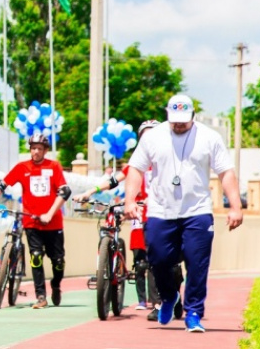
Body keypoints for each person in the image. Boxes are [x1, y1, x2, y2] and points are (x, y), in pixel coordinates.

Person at [123, 94, 243, 333]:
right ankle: (169, 297)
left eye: (183, 120)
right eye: (174, 120)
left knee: (197, 263)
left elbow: (226, 172)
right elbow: (135, 169)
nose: (178, 124)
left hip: (197, 210)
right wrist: (129, 201)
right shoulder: (153, 137)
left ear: (193, 116)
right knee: (157, 258)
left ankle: (194, 312)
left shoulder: (209, 137)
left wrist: (236, 206)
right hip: (160, 209)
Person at [73, 119, 180, 318]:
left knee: (162, 262)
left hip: (161, 215)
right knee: (144, 261)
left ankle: (163, 301)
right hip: (139, 214)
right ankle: (111, 265)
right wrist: (90, 192)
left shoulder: (168, 161)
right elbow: (114, 181)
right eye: (144, 137)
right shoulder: (136, 163)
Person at [0, 133, 71, 309]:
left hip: (52, 223)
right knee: (36, 258)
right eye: (33, 148)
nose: (36, 151)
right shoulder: (22, 167)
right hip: (32, 222)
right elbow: (2, 184)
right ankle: (41, 296)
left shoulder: (54, 166)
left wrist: (49, 213)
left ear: (46, 150)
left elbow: (65, 192)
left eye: (40, 148)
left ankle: (56, 285)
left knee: (58, 261)